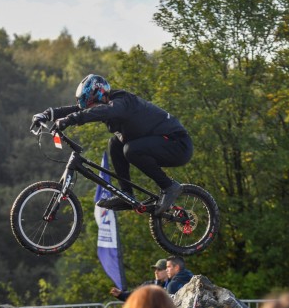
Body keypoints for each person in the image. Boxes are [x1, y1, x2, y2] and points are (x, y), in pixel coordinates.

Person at [32, 74, 193, 215]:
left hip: (177, 144)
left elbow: (103, 111)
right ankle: (126, 195)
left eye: (92, 106)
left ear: (101, 96)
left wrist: (70, 120)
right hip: (160, 143)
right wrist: (46, 114)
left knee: (131, 150)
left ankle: (169, 186)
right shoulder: (106, 105)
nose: (91, 110)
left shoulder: (122, 101)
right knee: (115, 143)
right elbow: (76, 109)